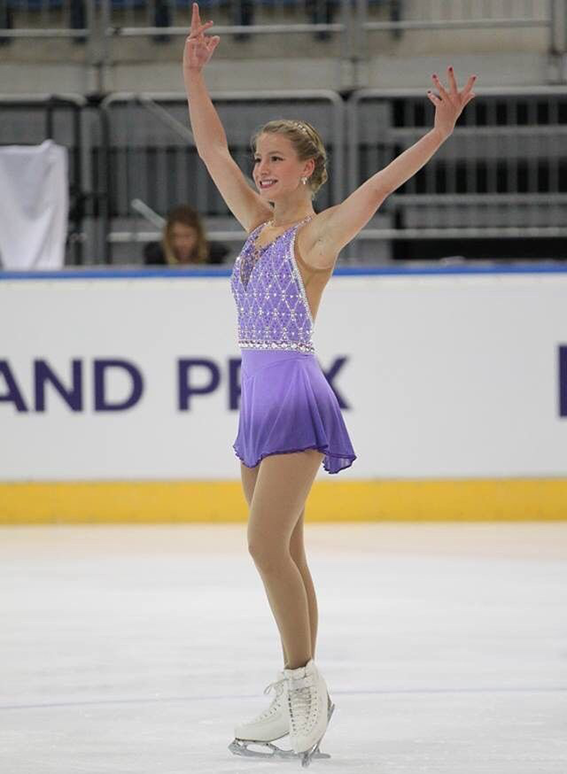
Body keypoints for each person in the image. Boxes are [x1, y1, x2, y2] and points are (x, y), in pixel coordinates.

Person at [184, 2, 476, 764]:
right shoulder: (254, 223)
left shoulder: (316, 234)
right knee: (289, 551)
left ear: (308, 169)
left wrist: (438, 134)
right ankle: (300, 692)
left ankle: (301, 690)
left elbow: (378, 186)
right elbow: (211, 149)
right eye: (261, 158)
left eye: (277, 159)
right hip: (259, 401)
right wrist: (192, 76)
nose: (261, 168)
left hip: (296, 396)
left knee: (263, 547)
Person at [143, 204, 229, 266]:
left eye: (187, 236)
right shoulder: (155, 259)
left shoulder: (215, 257)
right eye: (175, 236)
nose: (181, 242)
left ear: (198, 235)